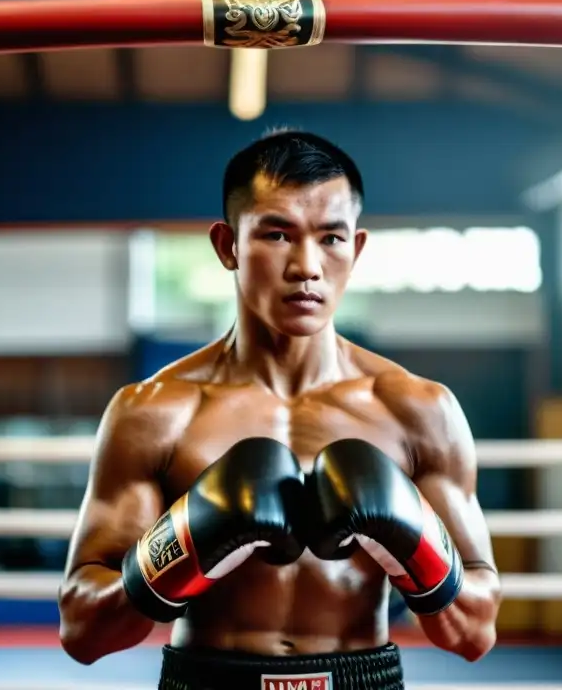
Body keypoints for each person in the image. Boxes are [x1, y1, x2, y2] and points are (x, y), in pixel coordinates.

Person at [58, 129, 501, 690]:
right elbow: (83, 629)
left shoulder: (417, 410)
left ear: (356, 250)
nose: (307, 266)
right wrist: (184, 547)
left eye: (331, 239)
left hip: (362, 679)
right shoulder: (155, 413)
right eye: (277, 234)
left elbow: (474, 632)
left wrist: (410, 536)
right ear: (228, 247)